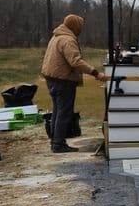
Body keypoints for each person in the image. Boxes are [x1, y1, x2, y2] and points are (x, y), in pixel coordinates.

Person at [41, 14, 100, 154]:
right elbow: (75, 61)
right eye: (80, 26)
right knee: (64, 112)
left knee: (57, 111)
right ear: (74, 26)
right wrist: (95, 72)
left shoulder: (57, 36)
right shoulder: (67, 40)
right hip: (63, 81)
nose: (81, 29)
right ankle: (58, 144)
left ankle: (55, 142)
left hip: (52, 79)